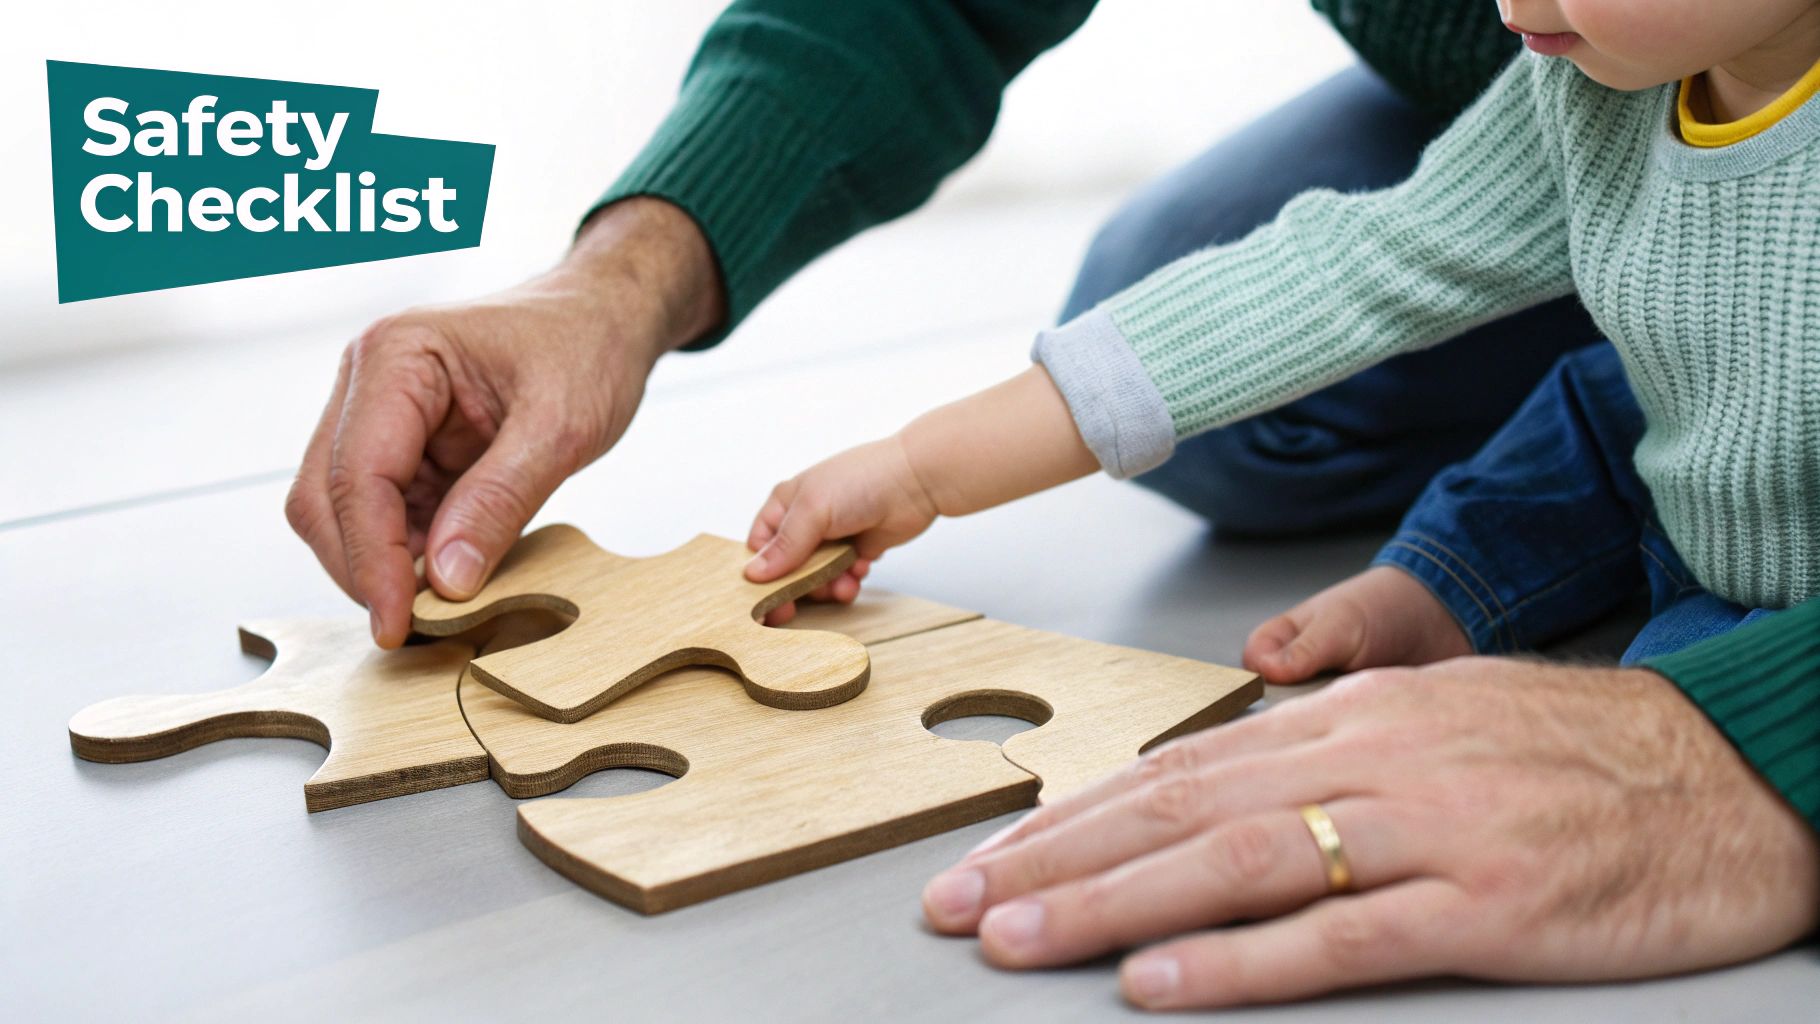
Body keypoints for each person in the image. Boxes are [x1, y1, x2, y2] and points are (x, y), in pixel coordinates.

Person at [284, 0, 1820, 1009]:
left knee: (1642, 767)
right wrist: (928, 462)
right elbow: (1353, 264)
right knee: (1594, 420)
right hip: (1699, 414)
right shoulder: (1573, 89)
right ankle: (1460, 559)